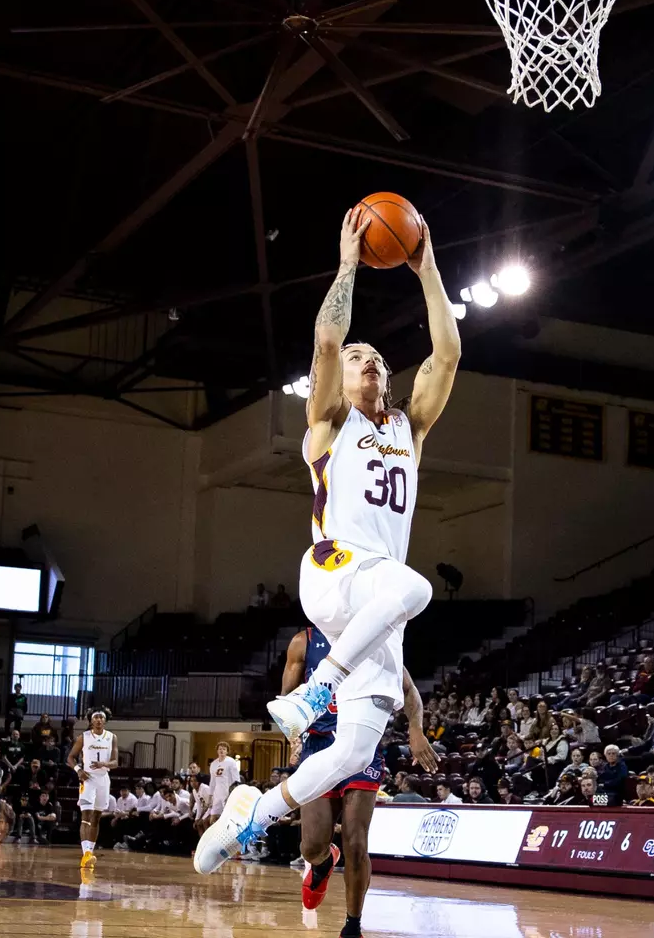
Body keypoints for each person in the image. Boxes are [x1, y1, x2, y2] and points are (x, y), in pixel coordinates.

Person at [194, 214, 461, 882]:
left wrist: (425, 265)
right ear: (336, 380)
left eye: (376, 357)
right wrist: (347, 264)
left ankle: (253, 813)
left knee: (354, 750)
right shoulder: (327, 423)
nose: (368, 360)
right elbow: (326, 337)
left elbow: (448, 355)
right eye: (356, 358)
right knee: (417, 588)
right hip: (334, 573)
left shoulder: (409, 427)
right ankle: (317, 691)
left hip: (375, 601)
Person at [282, 628, 436, 929]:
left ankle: (353, 925)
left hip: (362, 748)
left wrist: (415, 730)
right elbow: (287, 698)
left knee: (356, 842)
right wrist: (292, 734)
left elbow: (409, 690)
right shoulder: (304, 642)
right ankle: (324, 861)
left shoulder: (375, 637)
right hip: (318, 748)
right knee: (311, 847)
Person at [66, 707, 118, 869]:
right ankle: (86, 854)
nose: (98, 720)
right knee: (86, 816)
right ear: (90, 720)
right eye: (95, 717)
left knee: (96, 818)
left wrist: (104, 764)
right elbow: (70, 757)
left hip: (103, 779)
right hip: (87, 779)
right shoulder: (84, 737)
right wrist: (78, 770)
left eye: (101, 717)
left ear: (105, 720)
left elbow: (115, 762)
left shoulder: (112, 737)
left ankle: (90, 852)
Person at [206, 742, 241, 824]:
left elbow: (236, 780)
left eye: (224, 749)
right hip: (217, 794)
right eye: (220, 749)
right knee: (213, 819)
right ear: (217, 751)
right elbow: (212, 782)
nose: (222, 751)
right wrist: (210, 797)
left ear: (227, 751)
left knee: (227, 818)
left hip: (228, 793)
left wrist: (233, 794)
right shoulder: (213, 764)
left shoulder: (231, 762)